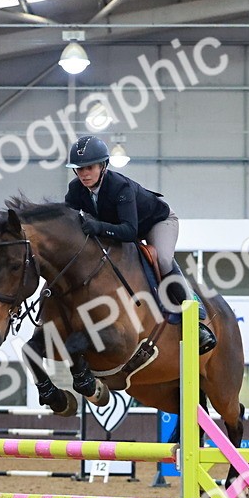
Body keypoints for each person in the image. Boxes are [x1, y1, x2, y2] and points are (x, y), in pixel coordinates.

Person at [63, 135, 216, 354]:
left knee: (162, 258)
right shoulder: (75, 189)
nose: (84, 174)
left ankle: (193, 316)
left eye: (89, 167)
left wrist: (97, 227)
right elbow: (68, 221)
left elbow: (130, 231)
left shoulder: (119, 187)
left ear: (103, 165)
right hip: (120, 227)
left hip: (156, 222)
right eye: (79, 169)